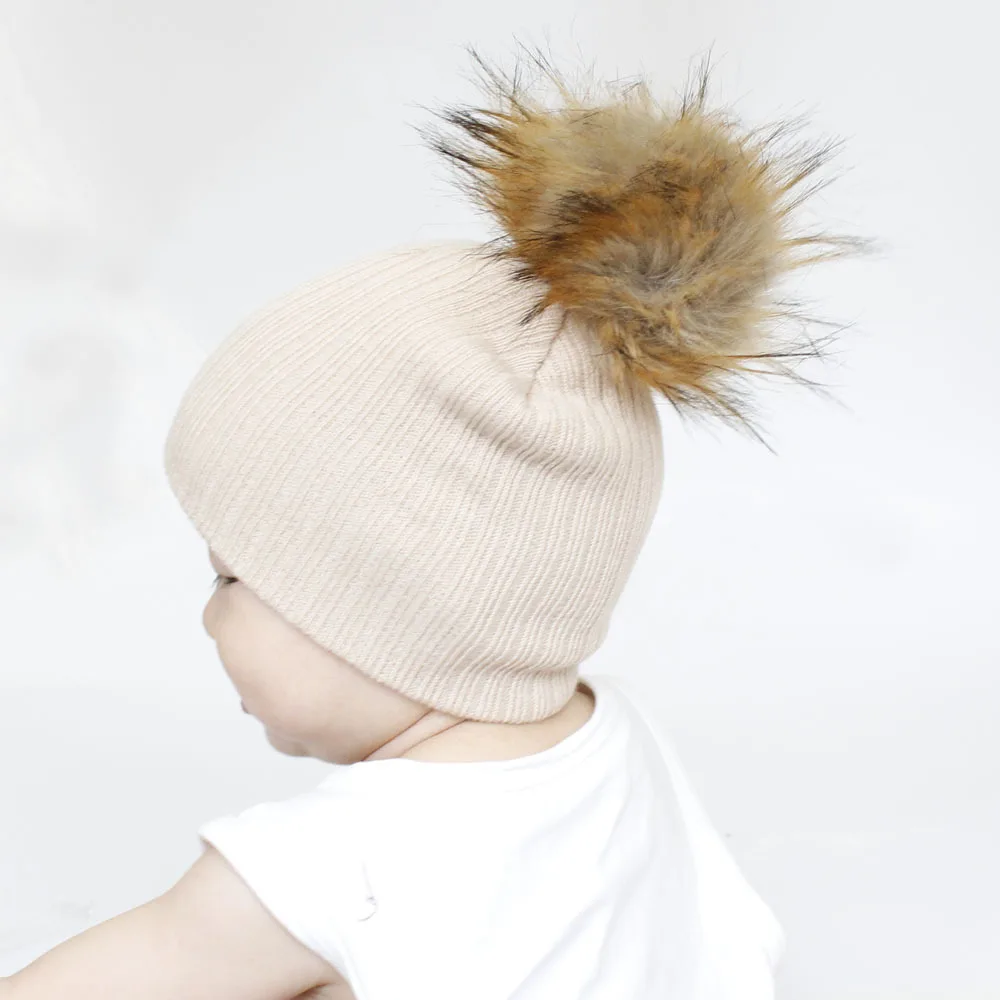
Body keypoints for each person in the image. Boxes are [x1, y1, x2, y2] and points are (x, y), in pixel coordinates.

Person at [1, 42, 871, 1000]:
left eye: (232, 575)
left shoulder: (333, 867)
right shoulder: (619, 747)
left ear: (383, 603)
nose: (208, 615)